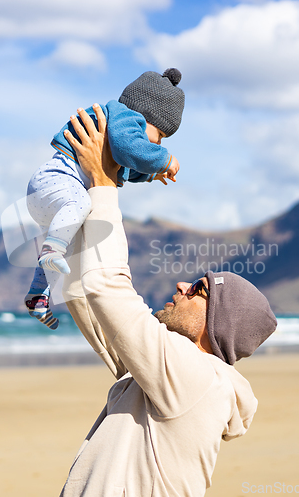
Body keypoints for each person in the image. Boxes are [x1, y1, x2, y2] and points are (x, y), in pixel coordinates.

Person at [57, 105, 278, 496]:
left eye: (198, 290)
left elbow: (107, 289)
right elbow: (83, 294)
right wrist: (76, 196)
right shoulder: (162, 374)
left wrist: (104, 183)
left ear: (217, 326)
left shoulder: (196, 379)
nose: (182, 286)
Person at [25, 68, 185, 329]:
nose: (157, 144)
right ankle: (51, 251)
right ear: (147, 118)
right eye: (161, 137)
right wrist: (164, 158)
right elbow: (129, 148)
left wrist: (149, 175)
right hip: (56, 180)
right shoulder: (124, 116)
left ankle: (38, 297)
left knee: (69, 248)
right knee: (79, 209)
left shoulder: (119, 131)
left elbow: (124, 166)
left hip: (55, 196)